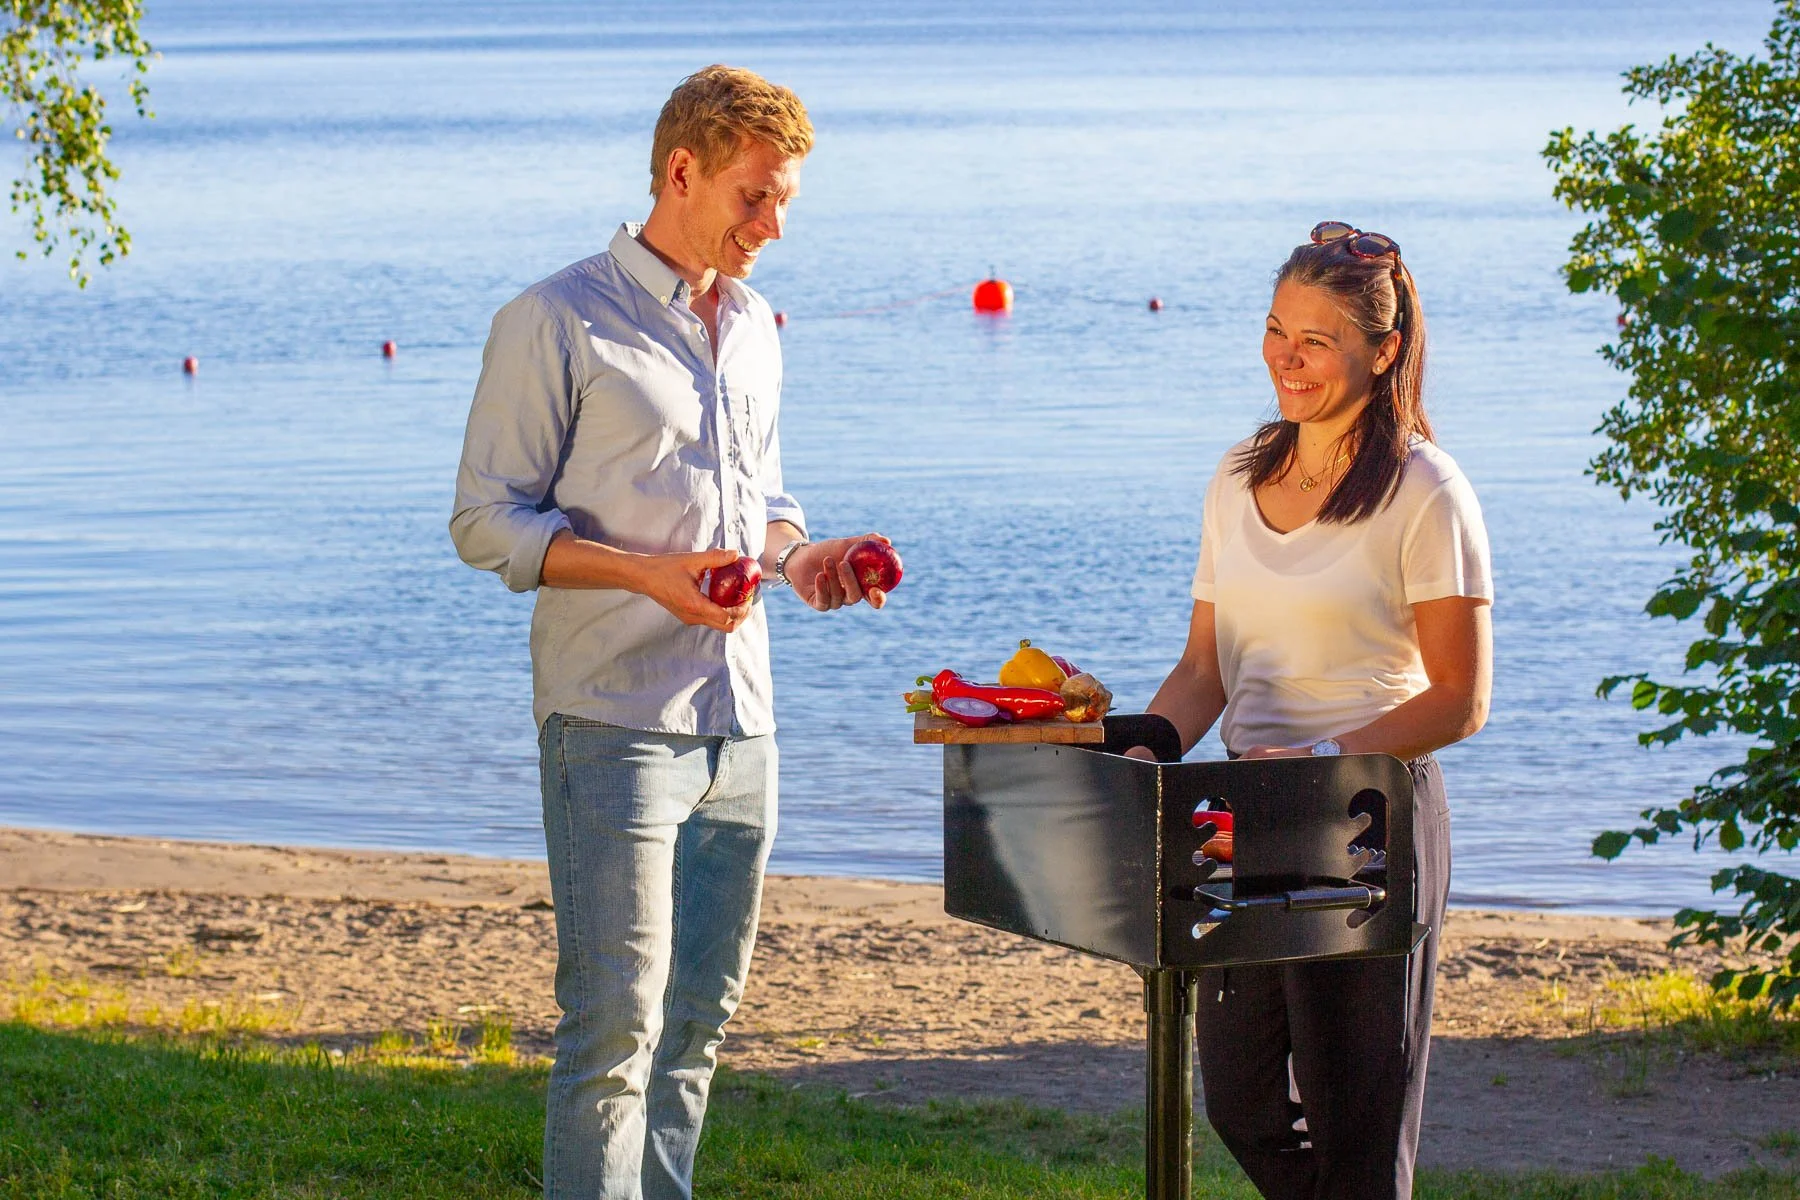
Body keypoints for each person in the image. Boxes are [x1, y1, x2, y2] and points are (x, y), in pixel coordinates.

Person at [450, 65, 895, 1200]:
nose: (774, 225)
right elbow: (485, 522)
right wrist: (651, 577)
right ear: (681, 171)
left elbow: (765, 500)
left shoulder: (752, 326)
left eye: (786, 199)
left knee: (698, 1026)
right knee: (612, 1034)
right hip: (612, 721)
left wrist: (808, 561)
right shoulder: (553, 319)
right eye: (755, 197)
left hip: (743, 725)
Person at [1127, 222, 1493, 1199]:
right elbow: (1206, 667)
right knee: (1240, 1103)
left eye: (1317, 340)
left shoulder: (1426, 490)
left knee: (1355, 1126)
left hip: (1366, 819)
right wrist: (1142, 743)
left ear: (1382, 351)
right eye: (1277, 329)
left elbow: (1461, 697)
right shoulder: (1240, 475)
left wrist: (1322, 752)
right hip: (1237, 821)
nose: (1287, 357)